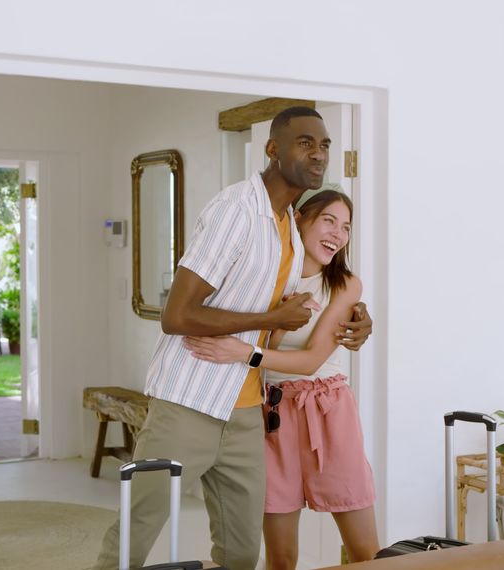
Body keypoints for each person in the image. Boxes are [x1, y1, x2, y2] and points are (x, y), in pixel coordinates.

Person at [93, 106, 372, 570]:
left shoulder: (286, 226)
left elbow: (313, 290)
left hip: (247, 411)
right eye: (305, 142)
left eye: (323, 145)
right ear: (272, 149)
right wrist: (270, 317)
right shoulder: (235, 210)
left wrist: (360, 316)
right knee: (139, 526)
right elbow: (176, 314)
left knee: (241, 551)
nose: (318, 153)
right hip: (190, 399)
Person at [183, 186, 378, 569]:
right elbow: (258, 334)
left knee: (365, 553)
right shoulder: (266, 278)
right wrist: (280, 325)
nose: (338, 234)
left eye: (346, 227)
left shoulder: (345, 284)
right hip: (272, 415)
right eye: (328, 220)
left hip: (328, 411)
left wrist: (244, 354)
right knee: (281, 559)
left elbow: (310, 362)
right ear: (299, 219)